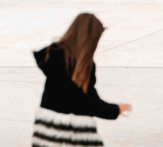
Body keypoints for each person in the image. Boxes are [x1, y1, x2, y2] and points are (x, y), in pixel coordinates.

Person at [32, 13, 130, 147]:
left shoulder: (51, 56)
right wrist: (116, 109)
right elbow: (90, 103)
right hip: (76, 134)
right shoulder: (82, 67)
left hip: (46, 131)